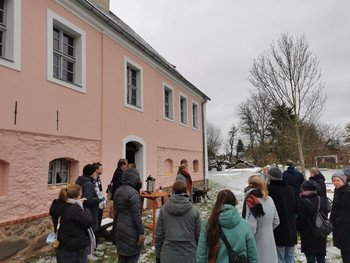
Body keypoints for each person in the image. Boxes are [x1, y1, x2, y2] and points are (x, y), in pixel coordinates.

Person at [197, 189, 258, 263]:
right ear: (234, 202)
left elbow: (201, 254)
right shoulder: (244, 225)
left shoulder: (208, 223)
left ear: (217, 203)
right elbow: (253, 254)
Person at [155, 180, 202, 263]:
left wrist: (158, 256)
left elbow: (159, 236)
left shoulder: (163, 210)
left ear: (172, 191)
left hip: (168, 256)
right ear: (186, 191)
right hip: (190, 256)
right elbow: (200, 236)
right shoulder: (194, 211)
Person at [49, 184, 94, 263]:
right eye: (80, 193)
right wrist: (86, 209)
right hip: (75, 247)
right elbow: (88, 222)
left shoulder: (59, 205)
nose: (82, 195)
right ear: (75, 197)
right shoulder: (73, 208)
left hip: (62, 245)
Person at [242, 175, 280, 263]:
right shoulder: (270, 199)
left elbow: (251, 226)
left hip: (257, 244)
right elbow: (276, 221)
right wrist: (267, 230)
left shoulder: (251, 201)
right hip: (270, 242)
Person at [114, 167, 145, 263]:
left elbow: (116, 213)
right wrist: (141, 232)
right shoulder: (133, 193)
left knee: (122, 257)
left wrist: (114, 230)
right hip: (131, 229)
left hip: (120, 227)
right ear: (135, 178)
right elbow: (136, 215)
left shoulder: (118, 191)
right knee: (132, 257)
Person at [267, 167, 297, 263]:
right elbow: (296, 208)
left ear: (269, 177)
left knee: (279, 258)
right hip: (291, 228)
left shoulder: (269, 191)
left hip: (278, 229)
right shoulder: (290, 190)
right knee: (290, 257)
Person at [297, 179, 328, 263]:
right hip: (321, 231)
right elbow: (325, 215)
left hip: (308, 233)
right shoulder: (322, 199)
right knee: (321, 255)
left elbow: (301, 219)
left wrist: (298, 229)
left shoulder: (302, 201)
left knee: (310, 256)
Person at [75, 164, 101, 258]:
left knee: (88, 232)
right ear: (90, 173)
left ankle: (91, 251)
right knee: (91, 232)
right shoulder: (88, 184)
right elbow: (88, 199)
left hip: (83, 211)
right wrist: (99, 199)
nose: (95, 174)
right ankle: (90, 253)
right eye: (94, 172)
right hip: (89, 211)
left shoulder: (81, 180)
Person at [330, 170, 350, 263]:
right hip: (340, 226)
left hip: (346, 227)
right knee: (344, 251)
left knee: (347, 251)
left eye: (338, 180)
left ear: (343, 180)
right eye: (334, 180)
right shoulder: (338, 190)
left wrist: (342, 219)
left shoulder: (347, 192)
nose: (336, 182)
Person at [92, 162, 106, 252]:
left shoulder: (98, 179)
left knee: (98, 226)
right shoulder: (93, 180)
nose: (102, 169)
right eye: (101, 168)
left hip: (100, 206)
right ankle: (93, 247)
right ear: (96, 170)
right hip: (96, 206)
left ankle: (95, 246)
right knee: (95, 227)